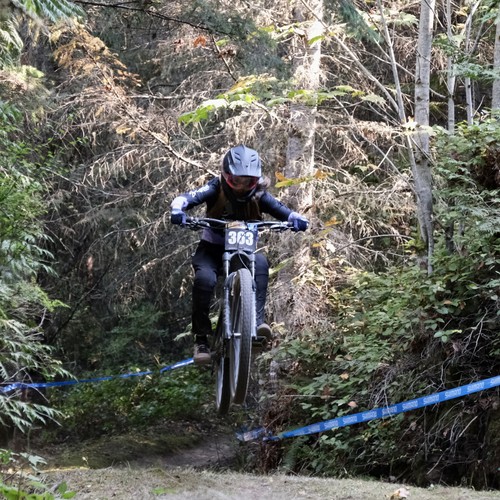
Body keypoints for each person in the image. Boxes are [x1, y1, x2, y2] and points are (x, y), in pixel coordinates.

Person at [170, 145, 309, 365]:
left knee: (261, 264)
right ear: (226, 176)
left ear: (256, 180)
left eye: (248, 182)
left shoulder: (260, 194)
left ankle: (256, 324)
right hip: (212, 250)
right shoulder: (215, 187)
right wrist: (178, 209)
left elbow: (283, 211)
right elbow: (187, 197)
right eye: (236, 181)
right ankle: (201, 340)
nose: (242, 187)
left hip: (243, 252)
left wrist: (297, 219)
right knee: (204, 280)